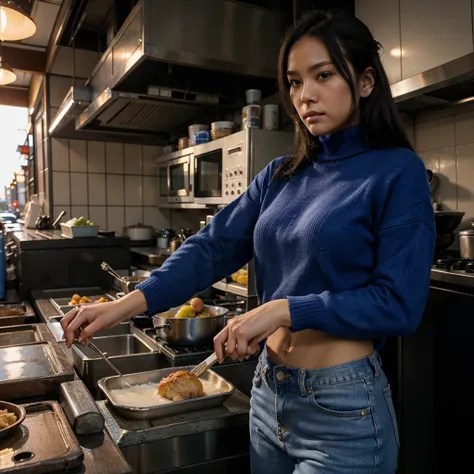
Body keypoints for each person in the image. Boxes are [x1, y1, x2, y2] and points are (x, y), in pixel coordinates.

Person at [61, 9, 435, 473]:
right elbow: (211, 248)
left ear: (364, 82)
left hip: (343, 407)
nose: (305, 96)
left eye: (323, 75)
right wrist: (123, 305)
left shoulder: (396, 171)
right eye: (295, 82)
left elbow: (399, 303)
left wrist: (283, 309)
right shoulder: (279, 176)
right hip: (268, 396)